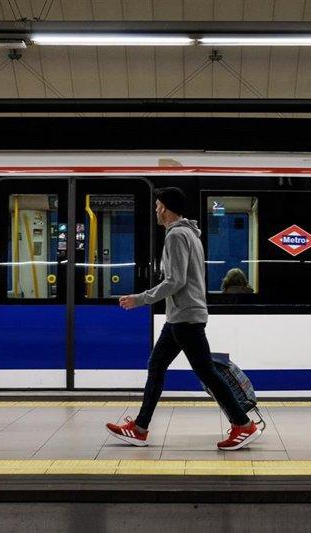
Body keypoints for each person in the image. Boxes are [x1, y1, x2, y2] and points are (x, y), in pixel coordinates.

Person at [106, 187, 261, 450]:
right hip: (181, 316)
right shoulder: (189, 234)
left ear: (165, 207)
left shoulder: (176, 235)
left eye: (157, 206)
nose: (155, 210)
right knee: (158, 366)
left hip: (185, 317)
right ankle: (140, 428)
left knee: (206, 372)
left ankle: (243, 425)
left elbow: (175, 280)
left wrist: (140, 299)